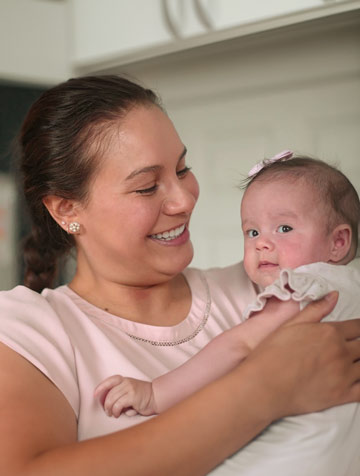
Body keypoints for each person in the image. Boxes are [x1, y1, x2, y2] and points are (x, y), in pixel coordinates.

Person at [0, 75, 359, 476]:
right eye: (147, 187)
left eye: (182, 168)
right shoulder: (29, 332)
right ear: (67, 210)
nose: (184, 199)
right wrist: (261, 391)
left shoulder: (272, 286)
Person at [94, 151, 360, 416]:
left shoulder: (302, 288)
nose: (261, 243)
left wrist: (155, 394)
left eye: (284, 228)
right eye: (252, 232)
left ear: (338, 242)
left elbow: (238, 346)